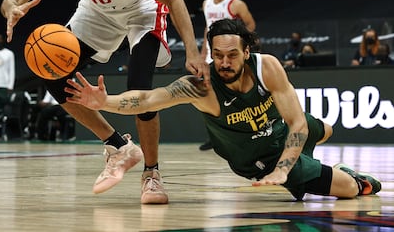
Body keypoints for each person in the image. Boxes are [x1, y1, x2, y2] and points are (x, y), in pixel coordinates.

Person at [0, 0, 209, 204]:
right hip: (97, 12)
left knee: (139, 88)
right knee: (51, 75)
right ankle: (118, 146)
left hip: (141, 11)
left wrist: (192, 52)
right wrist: (12, 7)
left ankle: (151, 174)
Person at [65, 18, 381, 201]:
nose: (225, 63)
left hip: (282, 138)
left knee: (325, 129)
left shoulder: (267, 67)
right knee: (351, 190)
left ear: (247, 51)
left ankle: (300, 172)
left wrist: (285, 168)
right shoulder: (201, 85)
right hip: (257, 159)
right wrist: (104, 102)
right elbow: (148, 100)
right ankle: (342, 175)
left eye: (232, 55)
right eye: (218, 55)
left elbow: (297, 123)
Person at [199, 0, 256, 151]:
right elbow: (207, 29)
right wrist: (203, 54)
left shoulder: (236, 4)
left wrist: (241, 45)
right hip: (212, 55)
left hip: (231, 55)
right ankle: (215, 138)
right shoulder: (206, 4)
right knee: (210, 96)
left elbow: (251, 24)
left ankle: (244, 133)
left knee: (236, 95)